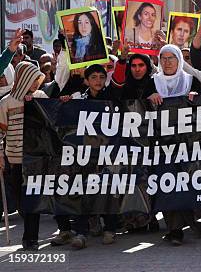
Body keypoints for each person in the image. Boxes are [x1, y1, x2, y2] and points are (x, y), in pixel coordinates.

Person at [144, 44, 201, 245]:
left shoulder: (191, 81)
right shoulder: (152, 82)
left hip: (189, 145)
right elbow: (139, 110)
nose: (167, 62)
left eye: (171, 57)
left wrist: (196, 99)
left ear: (179, 60)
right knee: (167, 182)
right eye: (163, 58)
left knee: (187, 181)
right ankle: (175, 229)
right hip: (163, 146)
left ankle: (190, 222)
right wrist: (149, 98)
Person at [53, 64, 119, 249]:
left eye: (101, 77)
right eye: (93, 77)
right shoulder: (79, 100)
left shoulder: (113, 98)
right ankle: (81, 232)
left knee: (108, 191)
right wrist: (65, 103)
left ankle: (110, 229)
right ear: (86, 80)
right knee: (84, 191)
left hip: (108, 153)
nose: (98, 81)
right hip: (86, 155)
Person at [0, 62, 48, 251]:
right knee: (22, 200)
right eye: (33, 78)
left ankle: (30, 238)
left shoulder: (41, 98)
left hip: (36, 158)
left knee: (32, 199)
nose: (36, 83)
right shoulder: (6, 103)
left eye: (38, 79)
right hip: (15, 159)